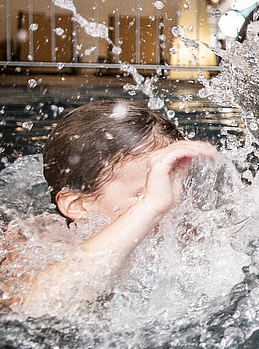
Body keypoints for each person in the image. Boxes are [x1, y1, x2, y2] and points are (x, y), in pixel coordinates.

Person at [0, 99, 217, 316]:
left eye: (174, 185)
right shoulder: (29, 248)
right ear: (77, 205)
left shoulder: (192, 236)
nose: (170, 202)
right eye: (145, 192)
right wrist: (150, 206)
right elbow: (34, 306)